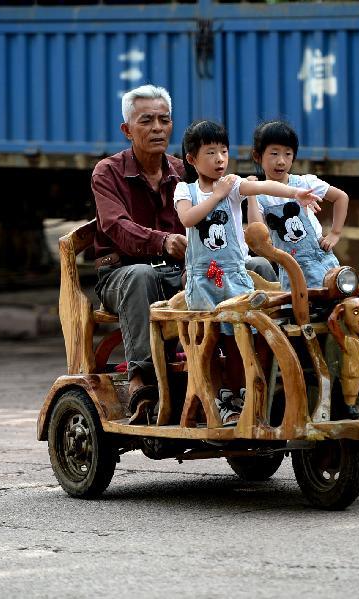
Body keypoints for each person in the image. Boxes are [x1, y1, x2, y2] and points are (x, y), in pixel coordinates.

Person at [174, 120, 321, 425]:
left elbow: (264, 185)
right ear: (191, 159)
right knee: (207, 342)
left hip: (234, 277)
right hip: (203, 280)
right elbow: (188, 219)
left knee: (238, 338)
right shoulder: (185, 189)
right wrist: (217, 195)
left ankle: (241, 394)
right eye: (211, 152)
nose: (219, 159)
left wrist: (295, 193)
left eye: (223, 151)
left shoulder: (234, 184)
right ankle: (218, 397)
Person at [91, 84, 187, 412]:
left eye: (165, 119)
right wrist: (162, 241)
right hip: (120, 274)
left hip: (176, 273)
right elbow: (115, 226)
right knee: (141, 275)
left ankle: (232, 373)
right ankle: (141, 379)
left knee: (240, 272)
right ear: (127, 130)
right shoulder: (107, 172)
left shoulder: (183, 171)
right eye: (146, 121)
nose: (158, 127)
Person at [246, 120, 350, 290]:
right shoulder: (259, 196)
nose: (281, 161)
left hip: (322, 262)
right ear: (257, 156)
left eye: (288, 154)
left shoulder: (304, 183)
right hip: (290, 270)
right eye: (274, 154)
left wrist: (335, 233)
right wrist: (251, 193)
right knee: (298, 313)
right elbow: (257, 232)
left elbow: (341, 197)